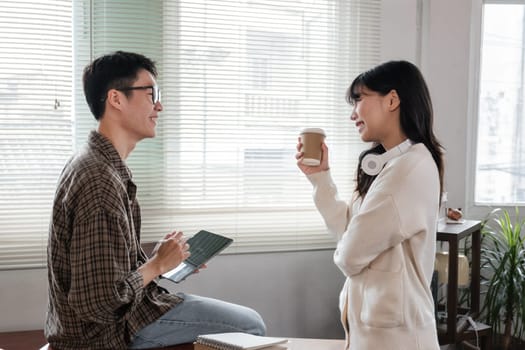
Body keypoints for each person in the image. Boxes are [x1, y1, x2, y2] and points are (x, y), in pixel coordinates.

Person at [45, 51, 266, 350]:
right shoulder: (99, 180)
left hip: (126, 312)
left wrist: (161, 259)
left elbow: (104, 265)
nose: (159, 106)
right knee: (251, 325)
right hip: (107, 333)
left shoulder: (100, 164)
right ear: (116, 99)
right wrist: (158, 265)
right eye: (151, 94)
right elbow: (98, 304)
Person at [296, 60, 443, 350]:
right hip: (374, 335)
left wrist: (351, 241)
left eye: (359, 99)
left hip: (398, 340)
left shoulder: (408, 170)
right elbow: (347, 231)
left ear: (392, 99)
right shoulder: (391, 165)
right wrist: (320, 178)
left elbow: (350, 254)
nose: (353, 114)